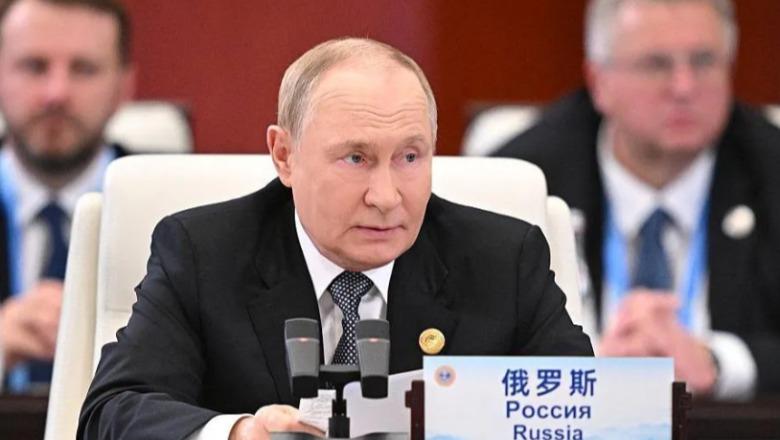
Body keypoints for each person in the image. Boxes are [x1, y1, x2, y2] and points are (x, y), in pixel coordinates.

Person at [77, 37, 593, 440]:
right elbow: (112, 412)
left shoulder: (503, 259)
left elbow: (585, 412)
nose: (386, 196)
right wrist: (238, 433)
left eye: (409, 157)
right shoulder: (203, 253)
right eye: (356, 158)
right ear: (284, 156)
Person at [494, 0, 780, 400]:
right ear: (599, 81)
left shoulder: (770, 170)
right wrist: (583, 361)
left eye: (703, 61)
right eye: (656, 64)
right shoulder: (524, 180)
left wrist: (719, 362)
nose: (684, 87)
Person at [0, 0, 134, 394]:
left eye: (83, 69)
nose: (56, 94)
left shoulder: (184, 210)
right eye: (34, 66)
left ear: (124, 86)